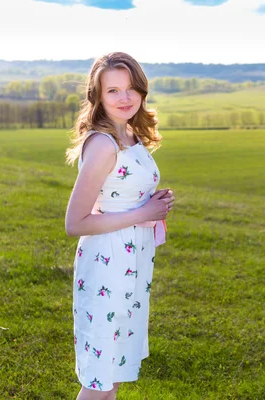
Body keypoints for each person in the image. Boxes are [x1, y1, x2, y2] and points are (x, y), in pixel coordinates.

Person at [65, 52, 174, 400]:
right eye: (113, 91)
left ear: (141, 90)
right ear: (98, 97)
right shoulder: (103, 145)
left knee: (108, 380)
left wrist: (151, 205)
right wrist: (143, 213)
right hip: (107, 269)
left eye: (130, 89)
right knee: (97, 385)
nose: (124, 98)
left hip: (131, 268)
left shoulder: (130, 136)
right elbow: (75, 222)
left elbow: (119, 194)